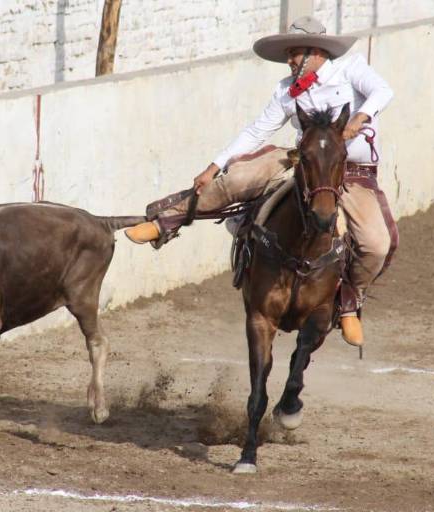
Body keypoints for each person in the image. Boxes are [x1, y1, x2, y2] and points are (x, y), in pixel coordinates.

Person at [125, 16, 398, 346]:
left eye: (294, 53)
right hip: (303, 165)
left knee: (376, 244)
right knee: (238, 177)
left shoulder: (351, 69)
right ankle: (166, 221)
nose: (289, 60)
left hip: (352, 173)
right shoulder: (286, 91)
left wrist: (359, 118)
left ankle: (350, 301)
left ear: (315, 52)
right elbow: (258, 131)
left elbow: (383, 90)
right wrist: (215, 165)